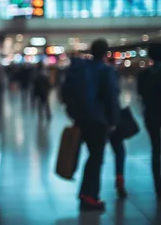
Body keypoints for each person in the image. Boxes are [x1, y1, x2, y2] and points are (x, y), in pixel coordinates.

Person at [63, 39, 120, 211]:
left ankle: (85, 193)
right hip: (98, 121)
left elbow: (65, 92)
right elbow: (111, 97)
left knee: (89, 156)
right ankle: (89, 196)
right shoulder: (106, 70)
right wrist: (114, 121)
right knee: (96, 158)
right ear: (105, 53)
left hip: (81, 119)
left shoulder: (80, 68)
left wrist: (75, 115)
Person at [137, 44, 161, 198]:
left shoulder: (144, 74)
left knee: (155, 149)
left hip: (151, 114)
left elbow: (140, 93)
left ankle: (158, 186)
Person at [107, 57, 127, 198]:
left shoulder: (88, 72)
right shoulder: (109, 72)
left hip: (94, 119)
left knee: (95, 155)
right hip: (110, 117)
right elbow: (114, 96)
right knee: (119, 150)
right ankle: (119, 177)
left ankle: (89, 192)